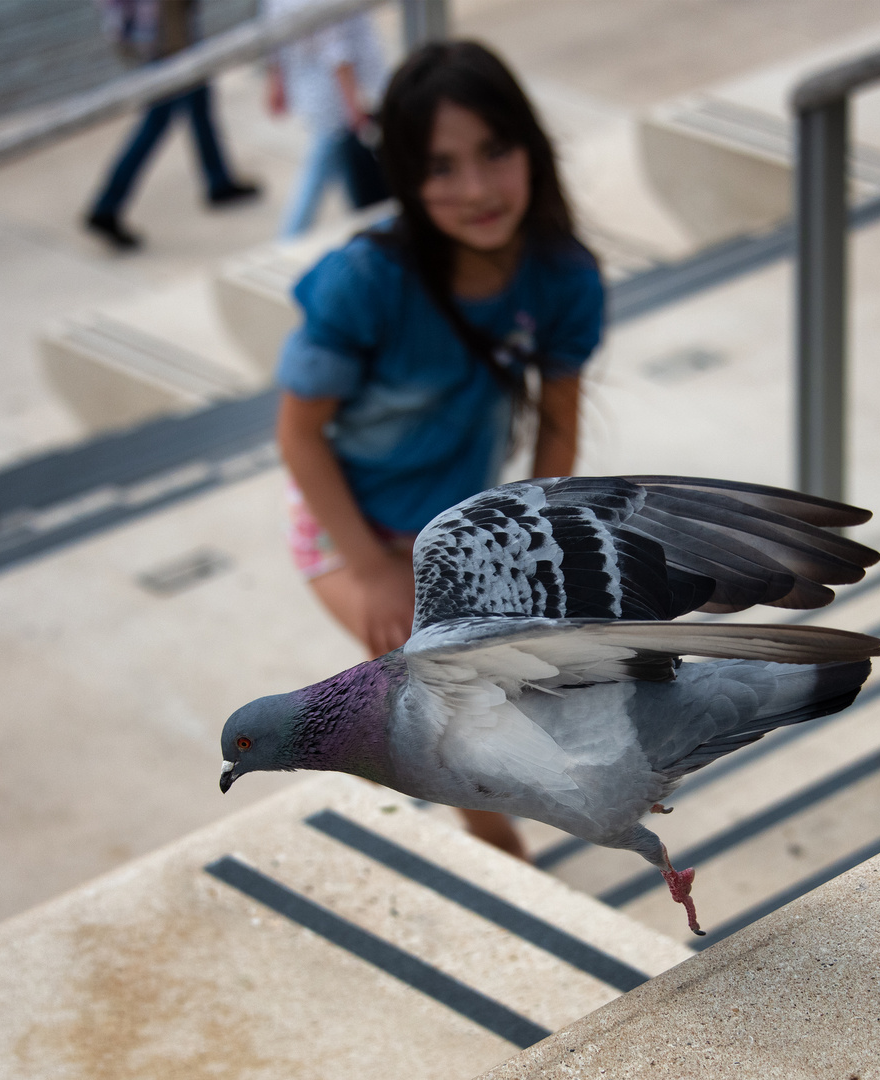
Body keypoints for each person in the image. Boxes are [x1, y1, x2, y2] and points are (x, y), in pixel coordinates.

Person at [274, 41, 605, 859]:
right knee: (446, 711)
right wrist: (376, 569)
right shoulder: (365, 281)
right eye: (442, 167)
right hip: (349, 530)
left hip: (454, 531)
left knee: (521, 688)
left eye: (495, 152)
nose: (479, 189)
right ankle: (511, 866)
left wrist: (536, 551)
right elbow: (297, 435)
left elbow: (557, 425)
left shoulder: (563, 275)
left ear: (532, 147)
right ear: (408, 182)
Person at [85, 0, 259, 251]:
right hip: (162, 34)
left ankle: (218, 180)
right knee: (159, 117)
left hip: (168, 26)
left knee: (199, 100)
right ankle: (106, 205)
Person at [263, 0, 389, 238]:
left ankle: (375, 233)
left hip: (313, 92)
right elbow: (336, 52)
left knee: (347, 177)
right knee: (326, 176)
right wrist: (354, 109)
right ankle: (287, 239)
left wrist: (276, 81)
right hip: (335, 101)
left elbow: (274, 34)